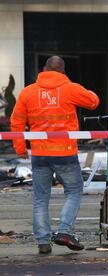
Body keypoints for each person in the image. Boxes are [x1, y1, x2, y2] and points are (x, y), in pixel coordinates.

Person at [10, 56, 99, 254]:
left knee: (41, 199)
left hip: (40, 154)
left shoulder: (28, 92)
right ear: (63, 72)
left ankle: (43, 242)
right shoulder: (71, 88)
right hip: (65, 153)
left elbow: (16, 123)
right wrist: (89, 91)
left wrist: (20, 148)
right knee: (74, 191)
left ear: (44, 69)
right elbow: (93, 102)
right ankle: (64, 231)